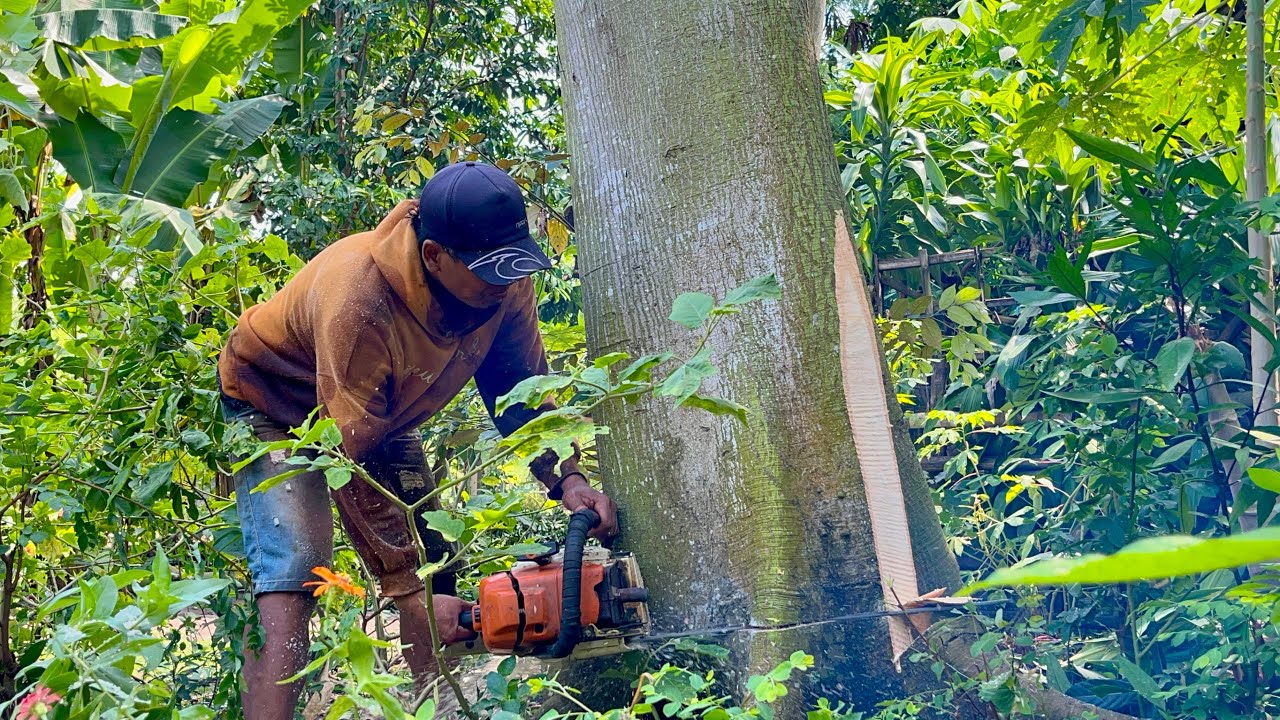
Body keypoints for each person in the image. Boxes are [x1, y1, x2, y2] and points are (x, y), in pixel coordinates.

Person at [217, 161, 619, 719]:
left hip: (379, 415)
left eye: (511, 270)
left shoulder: (504, 283)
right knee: (297, 570)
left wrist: (567, 477)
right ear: (435, 256)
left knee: (434, 558)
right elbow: (345, 457)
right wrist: (405, 592)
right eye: (488, 273)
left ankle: (438, 704)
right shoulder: (361, 299)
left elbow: (520, 391)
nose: (502, 285)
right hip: (277, 407)